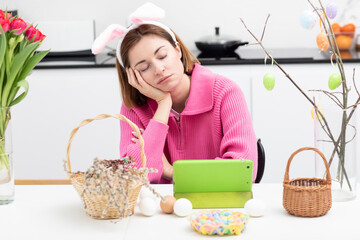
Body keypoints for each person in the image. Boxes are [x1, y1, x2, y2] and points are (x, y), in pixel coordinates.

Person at [92, 3, 258, 184]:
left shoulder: (225, 93)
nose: (159, 69)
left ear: (177, 50)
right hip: (161, 209)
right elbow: (134, 180)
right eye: (144, 67)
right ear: (132, 75)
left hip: (218, 207)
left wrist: (171, 172)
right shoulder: (133, 109)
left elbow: (243, 173)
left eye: (162, 56)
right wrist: (163, 104)